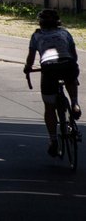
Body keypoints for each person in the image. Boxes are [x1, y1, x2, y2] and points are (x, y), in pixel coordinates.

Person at [24, 8, 80, 157]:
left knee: (49, 107)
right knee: (71, 78)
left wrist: (27, 68)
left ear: (41, 23)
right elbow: (73, 54)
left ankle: (53, 140)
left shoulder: (36, 35)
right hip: (68, 64)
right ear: (58, 22)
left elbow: (31, 58)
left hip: (49, 67)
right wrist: (72, 65)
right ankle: (74, 103)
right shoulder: (65, 33)